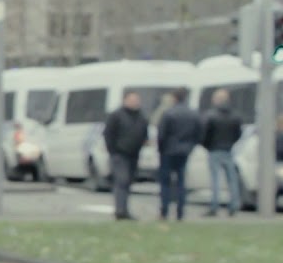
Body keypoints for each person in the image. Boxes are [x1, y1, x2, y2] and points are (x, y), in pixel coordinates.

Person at [156, 87, 202, 221]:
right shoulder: (193, 114)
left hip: (168, 151)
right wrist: (191, 146)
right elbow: (199, 132)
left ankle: (164, 210)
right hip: (184, 150)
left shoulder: (168, 113)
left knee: (165, 182)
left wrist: (160, 149)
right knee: (181, 181)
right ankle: (180, 211)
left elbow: (162, 134)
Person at [102, 91, 149, 220]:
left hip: (134, 154)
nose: (135, 102)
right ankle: (120, 210)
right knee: (121, 181)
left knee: (128, 182)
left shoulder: (141, 116)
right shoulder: (116, 116)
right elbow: (108, 134)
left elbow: (144, 133)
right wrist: (113, 150)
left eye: (137, 100)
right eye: (132, 99)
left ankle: (124, 209)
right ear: (125, 100)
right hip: (119, 154)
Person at [200, 88, 243, 217]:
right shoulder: (235, 116)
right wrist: (230, 143)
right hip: (228, 150)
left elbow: (205, 133)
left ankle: (214, 206)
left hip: (214, 150)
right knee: (232, 180)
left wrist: (207, 145)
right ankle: (234, 205)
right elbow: (238, 134)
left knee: (215, 180)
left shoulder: (211, 115)